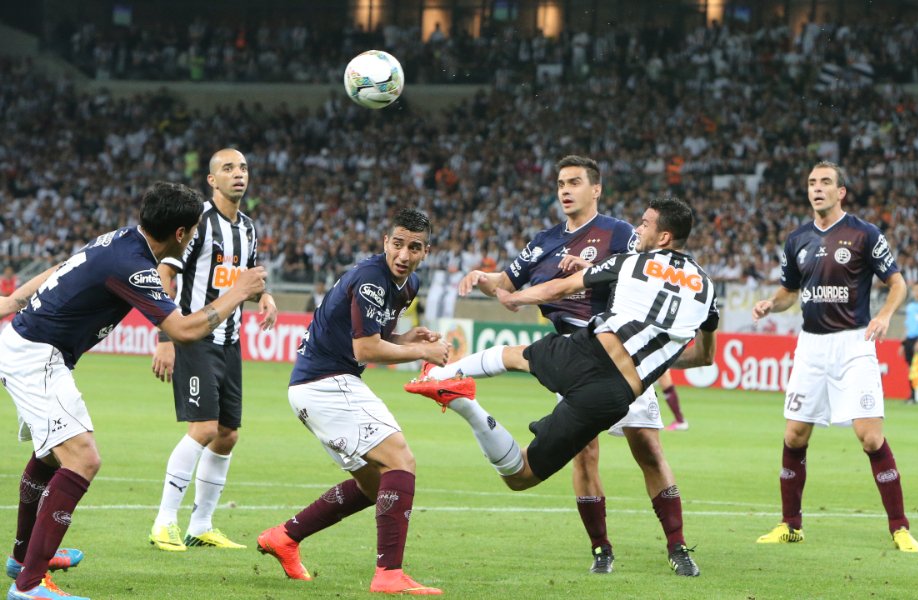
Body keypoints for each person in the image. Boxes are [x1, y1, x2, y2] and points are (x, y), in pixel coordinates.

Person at [408, 197, 718, 577]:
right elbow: (704, 356)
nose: (638, 228)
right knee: (574, 458)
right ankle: (613, 550)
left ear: (665, 236)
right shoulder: (705, 287)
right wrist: (659, 359)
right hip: (616, 389)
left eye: (646, 223)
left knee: (514, 368)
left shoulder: (630, 259)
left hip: (586, 352)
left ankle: (448, 385)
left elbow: (562, 287)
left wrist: (511, 298)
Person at [0, 182, 267, 600]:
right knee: (83, 459)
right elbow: (181, 329)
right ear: (181, 233)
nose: (196, 236)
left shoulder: (121, 239)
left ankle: (23, 558)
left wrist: (13, 300)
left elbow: (59, 269)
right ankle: (28, 586)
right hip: (38, 356)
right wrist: (239, 291)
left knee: (50, 453)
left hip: (28, 346)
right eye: (194, 230)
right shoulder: (135, 266)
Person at [450, 155, 682, 575]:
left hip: (619, 349)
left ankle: (678, 547)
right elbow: (507, 283)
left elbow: (639, 272)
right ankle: (601, 549)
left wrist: (589, 269)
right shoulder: (543, 240)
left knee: (647, 448)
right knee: (584, 453)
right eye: (560, 183)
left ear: (596, 189)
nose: (565, 190)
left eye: (574, 182)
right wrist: (482, 278)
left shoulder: (620, 233)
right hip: (573, 354)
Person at [256, 208, 450, 595]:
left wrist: (407, 339)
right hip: (326, 382)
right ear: (385, 243)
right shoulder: (371, 279)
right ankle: (389, 575)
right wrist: (422, 354)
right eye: (398, 244)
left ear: (426, 252)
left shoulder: (406, 286)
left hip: (318, 386)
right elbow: (366, 348)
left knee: (377, 483)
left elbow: (372, 336)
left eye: (414, 247)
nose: (404, 255)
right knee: (401, 460)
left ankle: (285, 537)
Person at [751, 161, 918, 553]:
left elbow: (897, 284)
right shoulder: (797, 240)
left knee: (870, 436)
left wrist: (884, 315)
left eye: (826, 182)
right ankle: (790, 524)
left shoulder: (864, 234)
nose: (817, 188)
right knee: (794, 434)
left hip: (852, 344)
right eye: (812, 182)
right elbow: (790, 292)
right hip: (810, 345)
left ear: (841, 191)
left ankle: (899, 527)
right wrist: (770, 305)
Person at [149, 148, 278, 552]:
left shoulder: (249, 228)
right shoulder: (197, 223)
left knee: (226, 435)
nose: (238, 174)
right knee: (203, 429)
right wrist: (166, 338)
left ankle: (201, 524)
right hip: (194, 336)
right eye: (228, 168)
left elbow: (250, 275)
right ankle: (164, 522)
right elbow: (164, 274)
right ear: (212, 180)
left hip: (230, 340)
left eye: (243, 167)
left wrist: (265, 297)